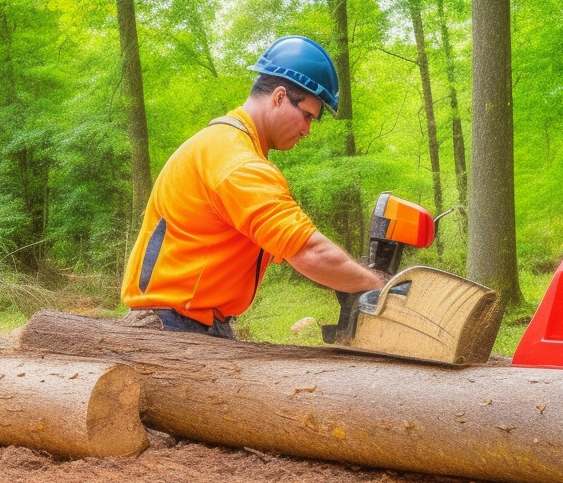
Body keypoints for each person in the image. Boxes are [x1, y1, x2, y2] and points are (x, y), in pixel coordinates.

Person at [120, 36, 386, 338]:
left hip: (189, 320)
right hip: (173, 327)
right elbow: (308, 251)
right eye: (307, 116)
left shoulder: (224, 145)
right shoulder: (236, 160)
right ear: (280, 96)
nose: (307, 130)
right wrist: (379, 286)